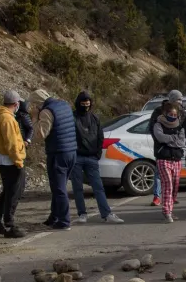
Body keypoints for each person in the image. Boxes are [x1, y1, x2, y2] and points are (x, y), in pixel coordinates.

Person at [69, 91, 124, 225]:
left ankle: (106, 214)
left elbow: (100, 137)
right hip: (76, 157)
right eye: (83, 104)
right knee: (77, 188)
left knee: (98, 187)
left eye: (88, 104)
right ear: (78, 103)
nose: (86, 106)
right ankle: (82, 214)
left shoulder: (94, 118)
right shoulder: (72, 117)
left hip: (92, 158)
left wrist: (97, 154)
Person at [0, 91, 28, 238]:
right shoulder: (7, 119)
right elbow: (11, 143)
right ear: (16, 104)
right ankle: (9, 225)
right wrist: (18, 161)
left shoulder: (0, 116)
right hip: (10, 160)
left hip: (4, 158)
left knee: (8, 191)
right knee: (14, 193)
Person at [35, 89, 77, 230]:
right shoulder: (64, 105)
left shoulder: (46, 112)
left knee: (59, 189)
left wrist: (35, 118)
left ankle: (64, 221)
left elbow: (40, 134)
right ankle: (54, 217)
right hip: (71, 151)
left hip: (58, 153)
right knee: (59, 187)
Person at [148, 90, 185, 206]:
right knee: (159, 174)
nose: (180, 102)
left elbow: (183, 131)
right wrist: (162, 141)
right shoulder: (159, 111)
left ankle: (171, 197)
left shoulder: (182, 112)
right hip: (162, 149)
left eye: (181, 99)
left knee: (174, 177)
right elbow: (153, 128)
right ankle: (157, 196)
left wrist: (177, 141)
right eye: (178, 99)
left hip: (176, 150)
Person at [153, 101, 186, 222]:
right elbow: (160, 137)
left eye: (174, 115)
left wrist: (169, 140)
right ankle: (167, 211)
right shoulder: (158, 124)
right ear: (165, 113)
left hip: (176, 159)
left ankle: (170, 210)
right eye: (170, 114)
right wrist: (173, 138)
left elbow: (181, 142)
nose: (172, 117)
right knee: (168, 184)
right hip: (163, 158)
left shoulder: (180, 126)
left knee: (175, 185)